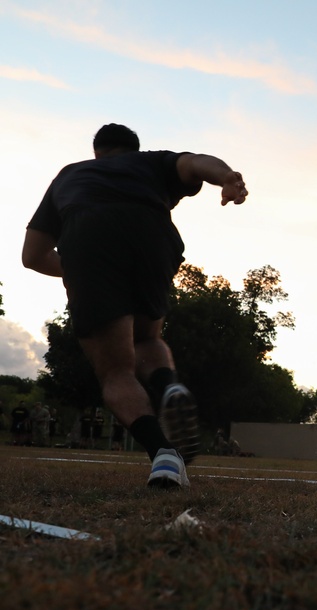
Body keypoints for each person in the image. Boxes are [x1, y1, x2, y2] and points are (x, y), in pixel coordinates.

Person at [22, 123, 248, 488]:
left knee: (116, 371)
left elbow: (32, 255)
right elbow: (195, 162)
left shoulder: (71, 173)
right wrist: (227, 178)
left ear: (97, 151)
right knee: (147, 337)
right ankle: (169, 385)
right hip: (153, 234)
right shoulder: (152, 163)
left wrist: (82, 268)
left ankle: (164, 454)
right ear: (133, 149)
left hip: (88, 233)